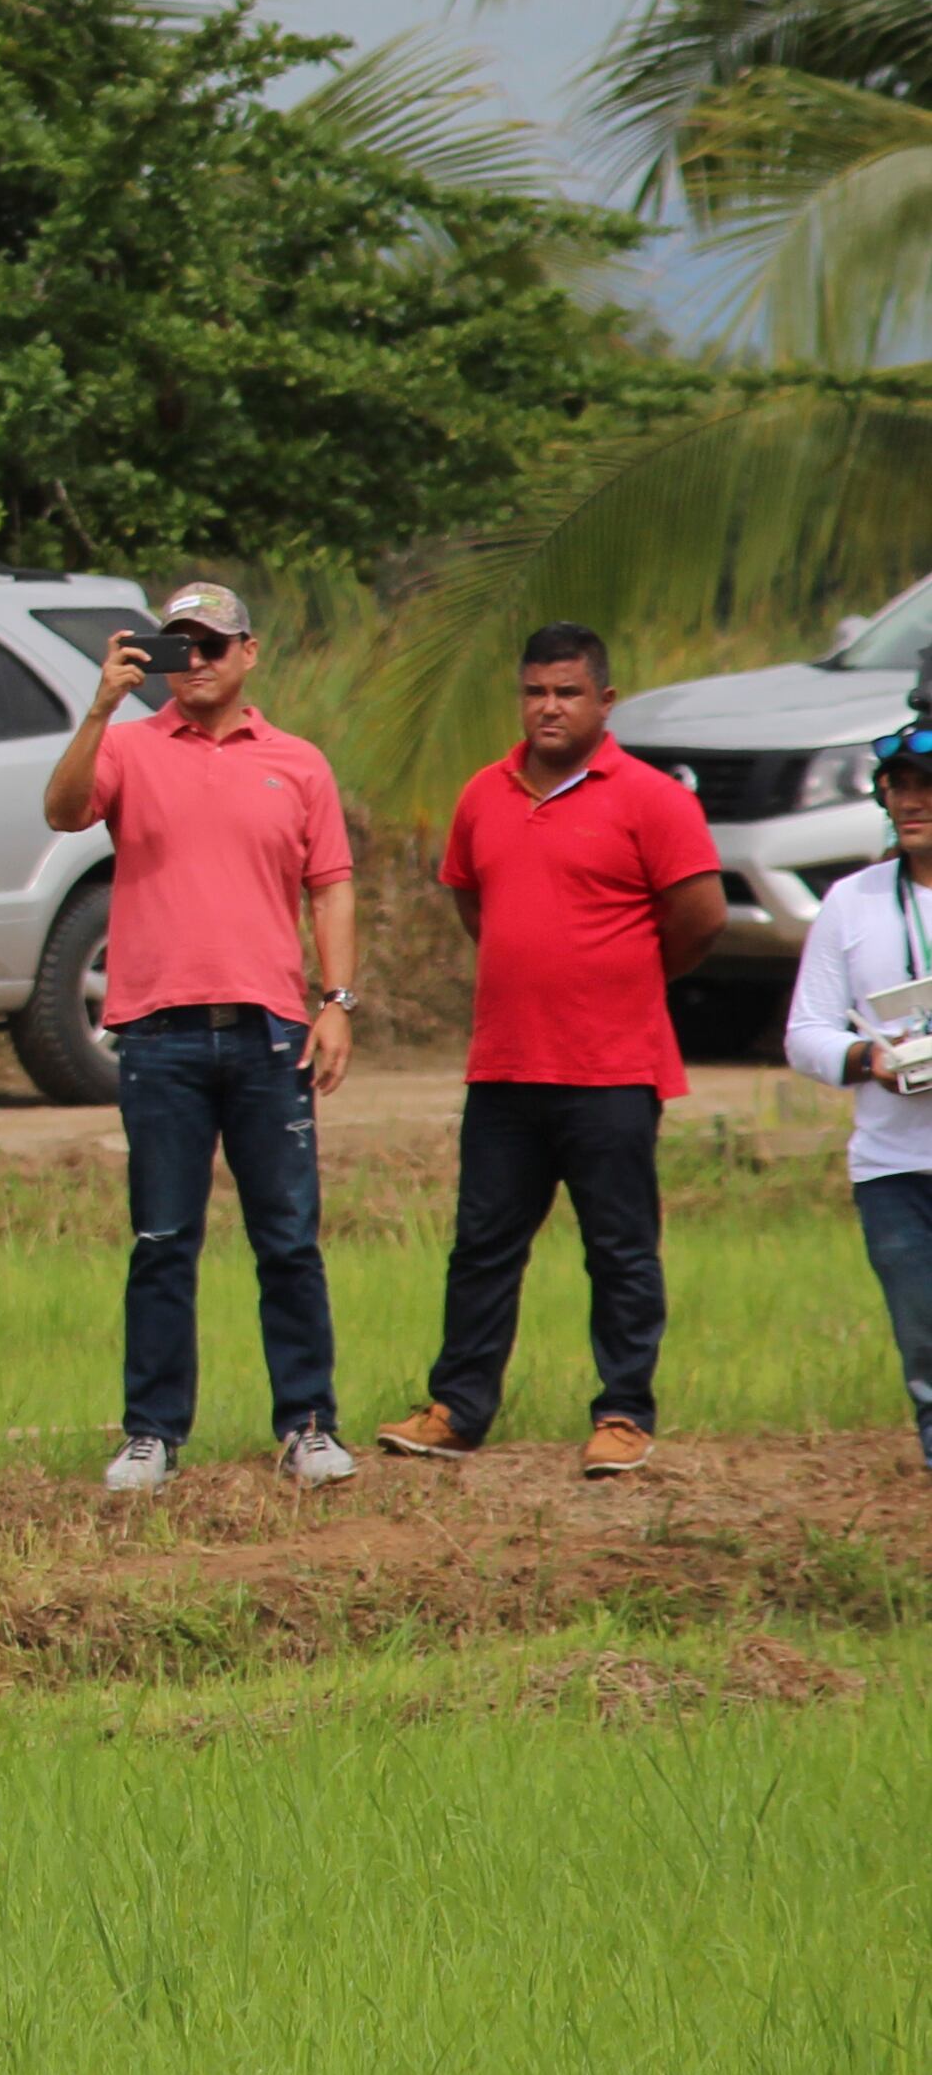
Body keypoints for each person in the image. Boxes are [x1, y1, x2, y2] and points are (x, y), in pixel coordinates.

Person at [372, 625, 729, 1477]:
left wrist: (632, 970)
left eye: (568, 692)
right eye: (535, 691)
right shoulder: (482, 795)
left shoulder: (651, 799)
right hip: (504, 1067)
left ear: (605, 701)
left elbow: (701, 917)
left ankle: (623, 1413)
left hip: (612, 1067)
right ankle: (458, 1407)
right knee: (484, 1245)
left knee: (619, 1247)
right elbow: (474, 905)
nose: (549, 708)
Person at [38, 581, 362, 1494]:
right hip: (158, 1032)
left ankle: (306, 1422)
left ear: (249, 653)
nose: (196, 660)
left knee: (288, 1236)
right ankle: (153, 1432)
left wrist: (336, 998)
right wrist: (102, 706)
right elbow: (63, 810)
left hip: (269, 1031)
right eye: (178, 645)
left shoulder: (297, 762)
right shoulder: (130, 750)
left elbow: (330, 883)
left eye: (212, 644)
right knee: (163, 1237)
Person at [784, 717, 932, 1476]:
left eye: (926, 786)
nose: (911, 801)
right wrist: (863, 1056)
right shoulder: (853, 901)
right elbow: (804, 1029)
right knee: (924, 1342)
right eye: (899, 787)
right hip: (894, 1167)